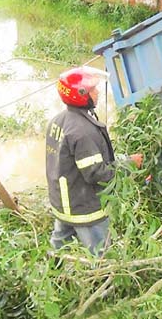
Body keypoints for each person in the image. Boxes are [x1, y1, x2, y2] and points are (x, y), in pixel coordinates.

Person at [46, 66, 143, 256]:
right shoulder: (82, 131)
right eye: (93, 89)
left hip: (61, 203)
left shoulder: (58, 121)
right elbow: (97, 173)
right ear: (81, 95)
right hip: (83, 209)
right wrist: (127, 165)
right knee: (102, 256)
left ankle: (53, 275)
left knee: (58, 250)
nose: (97, 92)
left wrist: (123, 159)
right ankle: (105, 282)